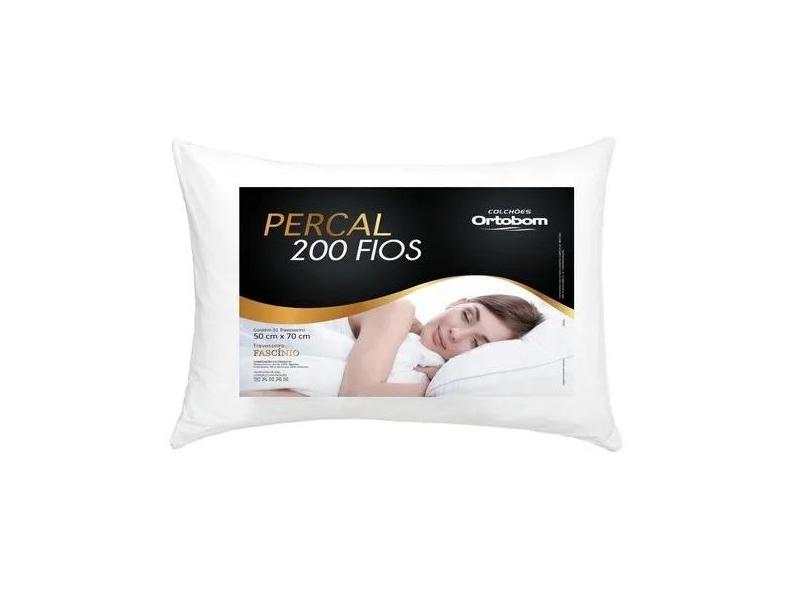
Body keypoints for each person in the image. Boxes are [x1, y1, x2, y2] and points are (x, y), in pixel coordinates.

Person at [262, 294, 543, 397]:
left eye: (475, 343)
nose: (456, 333)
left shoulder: (416, 357)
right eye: (467, 316)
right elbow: (357, 392)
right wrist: (432, 388)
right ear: (458, 302)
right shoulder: (398, 309)